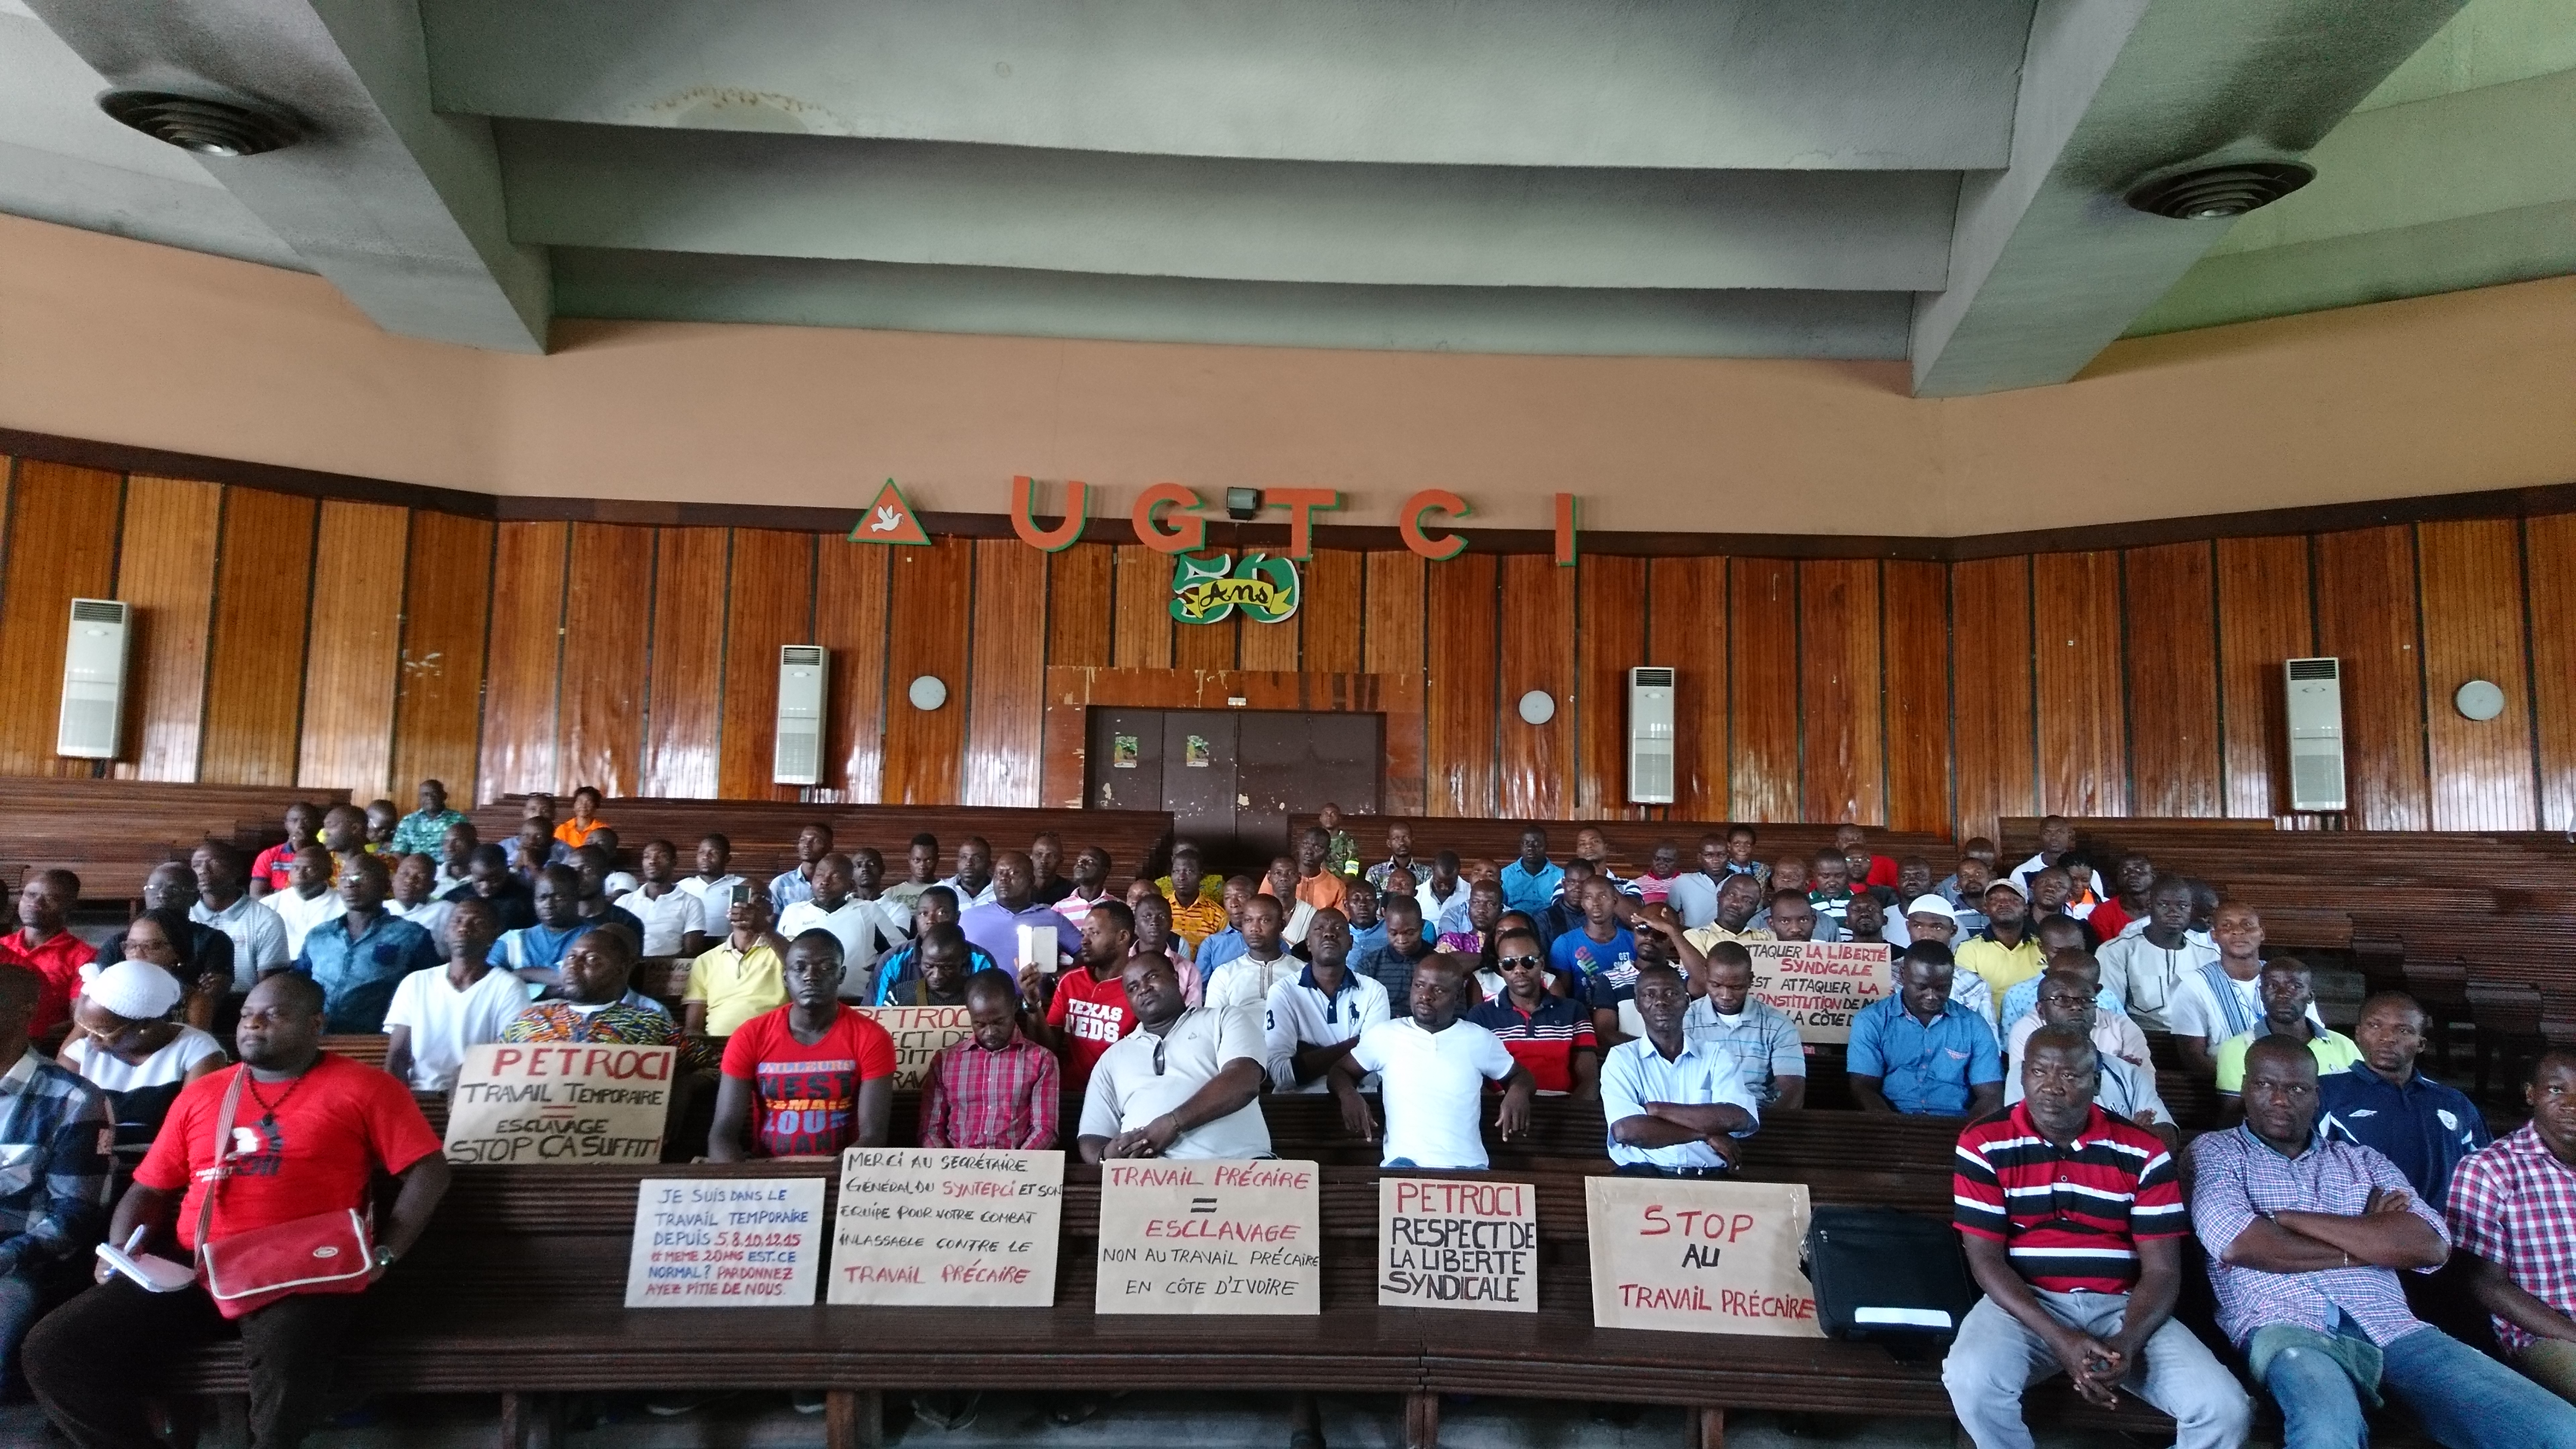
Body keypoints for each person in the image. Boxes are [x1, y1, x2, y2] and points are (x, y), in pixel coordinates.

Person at [25, 972, 449, 1449]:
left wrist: (387, 1252)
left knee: (288, 1359)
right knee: (55, 1349)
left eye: (273, 1014)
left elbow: (429, 1172)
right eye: (247, 1014)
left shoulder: (366, 1088)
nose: (253, 1024)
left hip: (300, 1270)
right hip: (197, 1266)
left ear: (316, 1024)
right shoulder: (206, 1093)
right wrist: (122, 1254)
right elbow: (148, 1188)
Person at [2191, 1037, 2576, 1449]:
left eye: (2298, 1088)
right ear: (2247, 1087)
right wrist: (2370, 1236)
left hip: (2395, 1327)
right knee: (2328, 1432)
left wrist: (2287, 1220)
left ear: (2318, 1094)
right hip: (2286, 1327)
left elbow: (2430, 1246)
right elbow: (2241, 1244)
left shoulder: (2362, 1160)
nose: (2282, 1099)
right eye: (2266, 1085)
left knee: (2561, 1428)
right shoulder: (2216, 1152)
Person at [1944, 1026, 2246, 1449]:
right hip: (2024, 1307)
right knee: (1969, 1378)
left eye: (2069, 1075)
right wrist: (2060, 1339)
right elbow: (1985, 1260)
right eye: (2037, 1071)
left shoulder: (2142, 1150)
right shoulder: (1983, 1142)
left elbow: (2161, 1269)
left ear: (2097, 1083)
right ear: (2022, 1075)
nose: (2050, 1087)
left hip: (2123, 1307)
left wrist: (2127, 1341)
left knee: (2224, 1408)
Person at [2446, 1048, 2576, 1406]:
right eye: (2556, 1090)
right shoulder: (2490, 1169)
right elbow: (2483, 1283)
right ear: (2531, 1093)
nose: (2572, 1103)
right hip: (2548, 1336)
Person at [708, 930, 897, 1161]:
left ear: (841, 975)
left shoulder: (871, 1037)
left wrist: (829, 1183)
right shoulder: (750, 1035)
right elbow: (723, 1133)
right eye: (799, 968)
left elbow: (873, 1137)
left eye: (826, 968)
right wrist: (741, 1183)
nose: (811, 976)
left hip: (840, 1170)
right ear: (786, 978)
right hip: (767, 1173)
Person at [1334, 957, 1534, 1171]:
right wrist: (1348, 1094)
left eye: (1438, 990)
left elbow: (1520, 1076)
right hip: (1402, 1167)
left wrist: (1518, 1091)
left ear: (1457, 997)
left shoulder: (1479, 1039)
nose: (1425, 996)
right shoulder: (1386, 1035)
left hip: (1468, 1167)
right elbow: (1341, 1071)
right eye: (1419, 985)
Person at [1077, 954, 1268, 1161]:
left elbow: (1243, 1081)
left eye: (1152, 977)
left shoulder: (1224, 1019)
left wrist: (1173, 1124)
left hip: (1238, 1167)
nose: (1144, 989)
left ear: (1176, 978)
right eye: (1133, 988)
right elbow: (1092, 1137)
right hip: (1147, 1179)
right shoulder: (1113, 1058)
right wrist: (1109, 1155)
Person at [2318, 992, 2490, 1209]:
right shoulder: (2325, 1092)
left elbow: (2483, 1174)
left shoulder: (2453, 1103)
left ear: (2421, 1044)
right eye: (2375, 1026)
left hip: (2441, 1236)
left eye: (2404, 1030)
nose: (2388, 1038)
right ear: (2358, 1035)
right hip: (2361, 1235)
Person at [1601, 962, 1757, 1177]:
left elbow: (1737, 1117)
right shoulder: (1622, 1059)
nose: (1660, 1003)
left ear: (1687, 1002)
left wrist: (1658, 1110)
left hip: (1710, 1176)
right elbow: (1627, 1130)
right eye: (1649, 995)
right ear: (1638, 1004)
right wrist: (1704, 1134)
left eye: (1671, 994)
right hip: (1643, 1176)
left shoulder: (1716, 1055)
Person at [59, 956, 227, 1139]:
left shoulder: (197, 1052)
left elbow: (192, 1126)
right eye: (87, 1028)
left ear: (145, 1025)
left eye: (103, 1031)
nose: (91, 1038)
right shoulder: (80, 1054)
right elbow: (57, 1122)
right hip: (90, 1160)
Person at [2003, 972, 2174, 1150]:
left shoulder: (2127, 1072)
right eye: (2062, 999)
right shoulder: (2026, 1073)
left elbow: (2166, 1137)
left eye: (2086, 1000)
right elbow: (2029, 1142)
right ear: (2041, 1010)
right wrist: (2128, 1133)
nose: (2077, 1007)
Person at [382, 898, 527, 1092]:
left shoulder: (510, 988)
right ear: (446, 933)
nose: (464, 929)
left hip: (479, 1098)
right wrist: (400, 1108)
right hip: (420, 1096)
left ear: (493, 936)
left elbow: (510, 1057)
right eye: (457, 921)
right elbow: (398, 1056)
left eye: (477, 923)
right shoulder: (416, 982)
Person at [503, 928, 706, 1066]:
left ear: (621, 970)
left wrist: (685, 1087)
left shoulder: (651, 1023)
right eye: (571, 957)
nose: (574, 965)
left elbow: (709, 1064)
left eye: (591, 959)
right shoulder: (529, 1021)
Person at [1847, 944, 2003, 1118]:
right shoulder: (1872, 1020)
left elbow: (1991, 1096)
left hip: (1955, 1125)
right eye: (1922, 987)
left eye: (1942, 988)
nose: (1931, 996)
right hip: (1892, 1124)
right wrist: (1892, 1128)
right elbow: (1863, 1088)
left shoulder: (1973, 1025)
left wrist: (1964, 1136)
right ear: (1903, 976)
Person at [291, 855, 440, 1034]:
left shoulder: (412, 936)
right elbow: (299, 984)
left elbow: (429, 993)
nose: (350, 884)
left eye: (359, 877)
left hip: (377, 1041)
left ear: (386, 886)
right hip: (317, 1038)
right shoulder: (320, 935)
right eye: (345, 878)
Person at [920, 969, 1060, 1151]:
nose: (990, 1032)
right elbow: (930, 1130)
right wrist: (947, 1164)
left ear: (1015, 1007)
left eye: (999, 1022)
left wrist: (1013, 1165)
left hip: (1016, 1167)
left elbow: (1045, 1131)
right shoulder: (946, 1061)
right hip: (954, 1166)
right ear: (969, 1014)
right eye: (980, 1024)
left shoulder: (1041, 1060)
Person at [1264, 908, 1388, 1094]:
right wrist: (1355, 1044)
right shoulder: (1283, 992)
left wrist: (1304, 1054)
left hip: (1361, 1103)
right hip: (1296, 1108)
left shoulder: (1374, 991)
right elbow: (1282, 1074)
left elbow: (1373, 1073)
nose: (1329, 933)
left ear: (1351, 943)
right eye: (1319, 929)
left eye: (1339, 928)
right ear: (1308, 944)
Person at [1020, 901, 1140, 1089]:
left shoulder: (1140, 985)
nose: (1084, 941)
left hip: (1119, 1094)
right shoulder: (1071, 982)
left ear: (1122, 937)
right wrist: (1033, 1002)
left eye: (1094, 933)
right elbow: (1047, 1047)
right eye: (1084, 933)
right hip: (1070, 1092)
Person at [1469, 926, 1599, 1096]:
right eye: (1509, 964)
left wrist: (1571, 1118)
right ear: (1501, 969)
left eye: (1528, 961)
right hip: (1502, 1112)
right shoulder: (1481, 1016)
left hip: (1565, 1111)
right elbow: (1472, 1080)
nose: (1519, 970)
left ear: (1542, 964)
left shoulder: (1574, 1011)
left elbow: (1589, 1080)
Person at [2214, 960, 2363, 1105]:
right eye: (2273, 986)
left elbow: (2360, 1101)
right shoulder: (2236, 1048)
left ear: (2310, 996)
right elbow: (2232, 1115)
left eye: (2295, 987)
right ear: (2261, 994)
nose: (2283, 994)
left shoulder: (2343, 1045)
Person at [1681, 940, 1805, 1110]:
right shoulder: (1686, 1020)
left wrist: (1763, 1129)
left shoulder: (1778, 1025)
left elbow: (1793, 1094)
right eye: (1716, 985)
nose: (1725, 995)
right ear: (1705, 976)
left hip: (1757, 1119)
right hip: (1696, 1117)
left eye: (1736, 987)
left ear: (1750, 980)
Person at [780, 852, 909, 993]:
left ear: (851, 885)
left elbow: (901, 953)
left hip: (858, 1000)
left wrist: (880, 968)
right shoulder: (793, 912)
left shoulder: (868, 910)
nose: (825, 882)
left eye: (836, 877)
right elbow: (776, 959)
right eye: (820, 875)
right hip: (804, 1001)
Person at [2004, 949, 2148, 1068]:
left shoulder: (2124, 1028)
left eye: (2084, 995)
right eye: (2063, 997)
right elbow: (2023, 1090)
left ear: (2096, 991)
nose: (2075, 1005)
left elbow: (2144, 1087)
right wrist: (2119, 1069)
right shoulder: (2027, 1029)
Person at [681, 886, 791, 1037]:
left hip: (772, 1043)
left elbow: (800, 966)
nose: (746, 906)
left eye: (757, 899)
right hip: (719, 1047)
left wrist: (764, 929)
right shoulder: (706, 960)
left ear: (770, 909)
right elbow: (693, 1027)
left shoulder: (786, 946)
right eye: (740, 899)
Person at [189, 839, 288, 999]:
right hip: (188, 1003)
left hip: (242, 1007)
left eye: (214, 862)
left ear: (237, 870)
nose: (203, 871)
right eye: (196, 865)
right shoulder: (186, 915)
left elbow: (269, 987)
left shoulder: (266, 920)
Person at [873, 886, 998, 1004]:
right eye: (924, 913)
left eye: (942, 913)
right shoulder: (893, 960)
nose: (931, 920)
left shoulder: (980, 959)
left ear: (957, 918)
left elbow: (990, 1009)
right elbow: (877, 1014)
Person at [959, 851, 1073, 975]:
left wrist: (1059, 979)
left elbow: (1086, 955)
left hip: (1034, 994)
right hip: (979, 994)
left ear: (1031, 881)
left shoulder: (1052, 918)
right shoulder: (968, 917)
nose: (1004, 878)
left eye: (1014, 873)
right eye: (999, 873)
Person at [489, 864, 595, 984]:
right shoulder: (511, 941)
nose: (549, 904)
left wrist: (521, 973)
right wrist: (548, 990)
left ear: (576, 895)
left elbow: (574, 978)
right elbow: (489, 982)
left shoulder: (594, 938)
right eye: (542, 898)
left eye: (559, 897)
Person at [612, 838, 710, 960]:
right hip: (628, 970)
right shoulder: (624, 902)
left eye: (661, 856)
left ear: (674, 862)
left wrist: (649, 965)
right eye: (647, 857)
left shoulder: (691, 902)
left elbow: (692, 953)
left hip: (670, 971)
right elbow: (612, 943)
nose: (652, 861)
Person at [1208, 895, 1300, 1021]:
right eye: (1248, 920)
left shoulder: (1302, 973)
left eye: (1264, 921)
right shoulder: (1224, 975)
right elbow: (1213, 1026)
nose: (1254, 928)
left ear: (1282, 925)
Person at [1955, 879, 2043, 1006]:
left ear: (2026, 909)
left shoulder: (2042, 947)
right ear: (1986, 908)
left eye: (2013, 899)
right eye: (1994, 900)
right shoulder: (1968, 949)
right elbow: (1967, 1000)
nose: (2003, 904)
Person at [1548, 877, 1637, 1000]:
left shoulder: (1633, 941)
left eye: (1603, 897)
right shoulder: (1564, 944)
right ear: (1583, 903)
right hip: (1584, 1016)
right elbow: (1563, 1000)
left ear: (1615, 902)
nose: (1596, 903)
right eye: (1589, 897)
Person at [1355, 895, 1438, 1021]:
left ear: (1422, 927)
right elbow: (1358, 1011)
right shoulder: (1369, 966)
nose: (1402, 940)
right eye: (1393, 933)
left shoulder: (1437, 965)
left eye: (1410, 933)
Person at [261, 845, 347, 963]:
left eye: (309, 869)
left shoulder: (345, 905)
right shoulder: (269, 905)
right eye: (296, 868)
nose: (300, 874)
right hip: (278, 969)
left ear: (328, 873)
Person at [380, 853, 455, 961]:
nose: (410, 881)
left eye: (420, 878)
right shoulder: (379, 908)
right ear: (393, 879)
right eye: (405, 874)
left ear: (433, 887)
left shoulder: (447, 911)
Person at [883, 924, 978, 1008]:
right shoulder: (899, 995)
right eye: (929, 966)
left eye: (947, 968)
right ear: (921, 955)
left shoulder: (979, 996)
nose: (937, 976)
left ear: (964, 958)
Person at [2009, 816, 2103, 899]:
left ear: (2069, 836)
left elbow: (2099, 905)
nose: (2054, 837)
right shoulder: (2021, 873)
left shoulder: (2087, 874)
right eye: (2047, 833)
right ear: (2040, 837)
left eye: (2060, 832)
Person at [1682, 873, 1773, 954]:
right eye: (1732, 895)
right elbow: (1699, 973)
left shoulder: (1767, 939)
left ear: (1755, 910)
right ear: (1719, 896)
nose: (1736, 904)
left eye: (1747, 901)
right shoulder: (1696, 937)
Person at [249, 801, 321, 898]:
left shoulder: (331, 855)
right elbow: (256, 896)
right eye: (294, 820)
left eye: (307, 820)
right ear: (286, 825)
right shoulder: (269, 856)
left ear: (319, 824)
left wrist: (278, 893)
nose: (300, 826)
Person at [1192, 874, 1257, 978]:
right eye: (1227, 898)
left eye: (1241, 897)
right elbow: (1201, 987)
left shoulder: (1272, 940)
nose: (1233, 904)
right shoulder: (1211, 944)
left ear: (1255, 899)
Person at [2085, 853, 2157, 942]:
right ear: (2118, 878)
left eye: (2139, 870)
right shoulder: (2103, 913)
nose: (2133, 875)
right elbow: (2105, 951)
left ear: (2153, 876)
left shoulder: (2166, 909)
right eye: (2126, 871)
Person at [390, 778, 467, 856]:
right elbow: (398, 852)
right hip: (417, 867)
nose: (430, 798)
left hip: (448, 867)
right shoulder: (408, 822)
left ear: (444, 796)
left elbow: (466, 849)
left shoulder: (458, 819)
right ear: (419, 798)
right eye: (425, 795)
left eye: (434, 793)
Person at [768, 822, 835, 910]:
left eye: (816, 841)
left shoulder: (837, 882)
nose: (807, 845)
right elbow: (771, 920)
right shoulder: (781, 883)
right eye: (803, 841)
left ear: (830, 848)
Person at [677, 833, 746, 917]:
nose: (706, 857)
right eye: (702, 852)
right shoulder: (682, 886)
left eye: (714, 853)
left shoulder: (741, 885)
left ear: (727, 859)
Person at [1498, 828, 1561, 918]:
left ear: (1547, 846)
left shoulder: (1561, 876)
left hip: (1551, 923)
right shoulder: (1505, 875)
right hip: (1516, 923)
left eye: (1537, 844)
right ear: (1520, 846)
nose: (1531, 848)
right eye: (1526, 843)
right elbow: (1500, 906)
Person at [1436, 878, 1505, 957]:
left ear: (1501, 909)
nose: (1481, 910)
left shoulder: (1507, 942)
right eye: (1476, 902)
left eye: (1490, 904)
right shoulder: (1452, 941)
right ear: (1469, 905)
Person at [1052, 845, 1115, 923]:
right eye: (1079, 860)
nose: (1081, 864)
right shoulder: (1060, 908)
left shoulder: (1117, 907)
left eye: (1090, 861)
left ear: (1105, 871)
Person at [879, 833, 940, 914]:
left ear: (937, 860)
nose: (922, 866)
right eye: (917, 860)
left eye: (929, 860)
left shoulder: (947, 890)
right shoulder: (891, 894)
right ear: (909, 859)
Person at [1417, 851, 1473, 937]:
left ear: (1458, 873)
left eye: (1451, 883)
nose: (1445, 888)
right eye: (1439, 882)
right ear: (1433, 870)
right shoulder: (1417, 894)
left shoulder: (1470, 894)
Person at [940, 837, 998, 911]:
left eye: (977, 858)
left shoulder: (1001, 891)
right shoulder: (942, 889)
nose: (969, 863)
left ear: (989, 863)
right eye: (964, 857)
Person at [1365, 823, 1421, 893]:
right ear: (1389, 843)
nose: (1402, 842)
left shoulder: (1426, 873)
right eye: (1396, 839)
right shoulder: (1375, 872)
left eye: (1406, 837)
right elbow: (1372, 901)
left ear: (1413, 841)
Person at [1342, 877, 1387, 959]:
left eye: (1369, 899)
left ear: (1377, 904)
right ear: (1346, 905)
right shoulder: (1340, 934)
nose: (1363, 904)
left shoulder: (1390, 931)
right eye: (1356, 899)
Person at [1630, 840, 1684, 907]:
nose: (1661, 864)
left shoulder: (1686, 882)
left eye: (1667, 861)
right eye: (1657, 859)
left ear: (1677, 862)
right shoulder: (1636, 884)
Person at [1317, 803, 1360, 878]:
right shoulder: (1313, 840)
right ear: (1320, 819)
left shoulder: (1349, 842)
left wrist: (1337, 886)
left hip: (1341, 884)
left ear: (1340, 818)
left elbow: (1351, 873)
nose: (1329, 817)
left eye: (1333, 814)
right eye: (1325, 814)